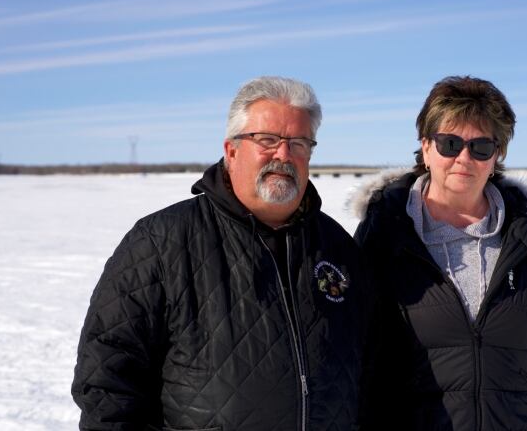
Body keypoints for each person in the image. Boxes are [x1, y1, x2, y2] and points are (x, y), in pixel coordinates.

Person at [72, 76, 371, 430]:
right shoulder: (160, 241)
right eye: (267, 140)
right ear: (232, 150)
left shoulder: (338, 249)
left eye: (299, 143)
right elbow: (108, 384)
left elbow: (372, 373)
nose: (283, 154)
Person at [354, 76, 527, 430]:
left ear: (496, 157)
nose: (464, 158)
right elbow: (358, 366)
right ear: (426, 147)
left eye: (480, 147)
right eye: (450, 143)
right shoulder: (384, 237)